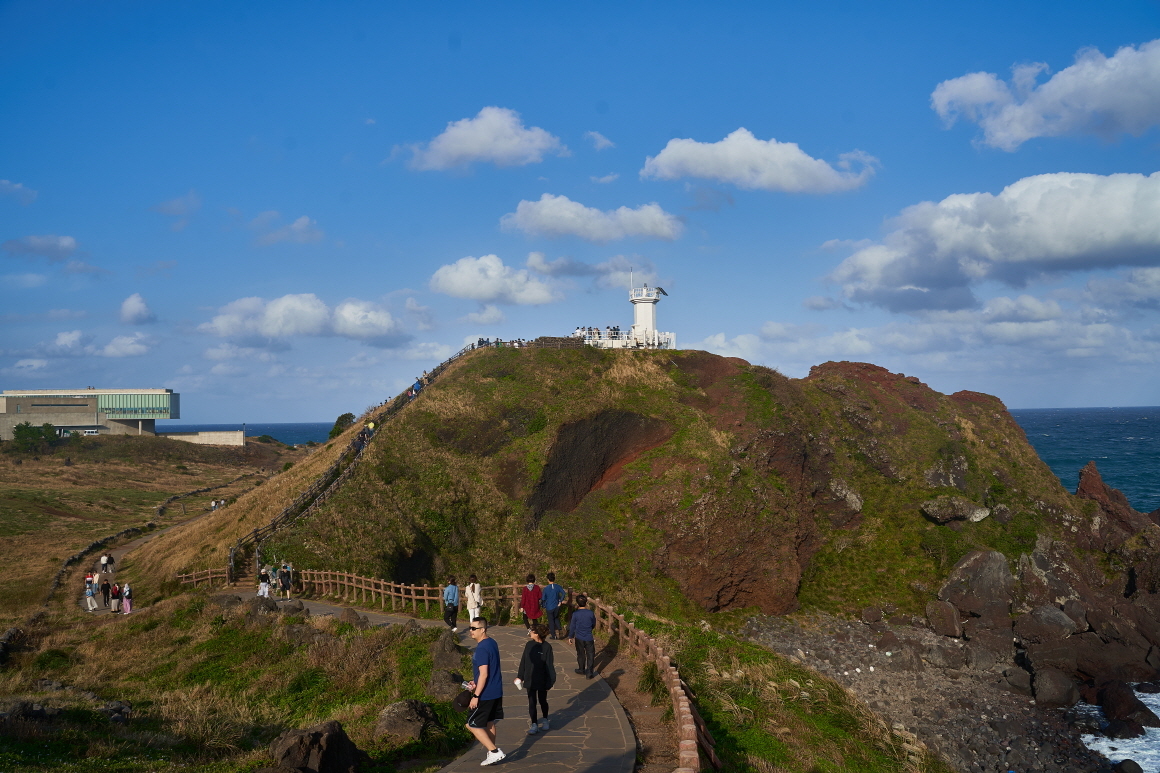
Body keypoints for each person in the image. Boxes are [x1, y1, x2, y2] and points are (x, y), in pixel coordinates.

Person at [466, 617, 506, 766]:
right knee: (489, 722)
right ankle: (491, 754)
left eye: (474, 628)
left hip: (486, 694)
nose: (471, 631)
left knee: (471, 724)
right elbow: (487, 670)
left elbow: (484, 674)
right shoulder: (492, 642)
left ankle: (494, 751)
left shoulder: (482, 648)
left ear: (482, 630)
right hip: (496, 690)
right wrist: (475, 681)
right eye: (470, 628)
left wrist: (476, 695)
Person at [517, 623, 556, 734]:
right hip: (529, 678)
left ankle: (545, 719)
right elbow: (523, 661)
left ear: (537, 634)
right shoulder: (529, 645)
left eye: (532, 630)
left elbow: (549, 665)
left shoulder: (547, 647)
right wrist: (520, 676)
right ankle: (534, 723)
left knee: (542, 700)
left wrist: (550, 681)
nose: (530, 632)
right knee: (531, 701)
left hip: (542, 679)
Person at [568, 594, 597, 679]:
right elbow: (593, 623)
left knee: (581, 654)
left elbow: (572, 626)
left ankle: (581, 669)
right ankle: (589, 672)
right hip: (589, 637)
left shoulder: (575, 614)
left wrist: (570, 636)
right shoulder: (590, 613)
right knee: (590, 654)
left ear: (577, 603)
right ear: (586, 602)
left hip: (579, 637)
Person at [541, 573, 565, 640]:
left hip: (549, 606)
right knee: (556, 618)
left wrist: (543, 605)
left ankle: (553, 635)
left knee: (551, 621)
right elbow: (563, 593)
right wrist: (560, 600)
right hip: (556, 605)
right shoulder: (558, 586)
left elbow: (543, 598)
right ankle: (559, 629)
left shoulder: (546, 588)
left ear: (548, 579)